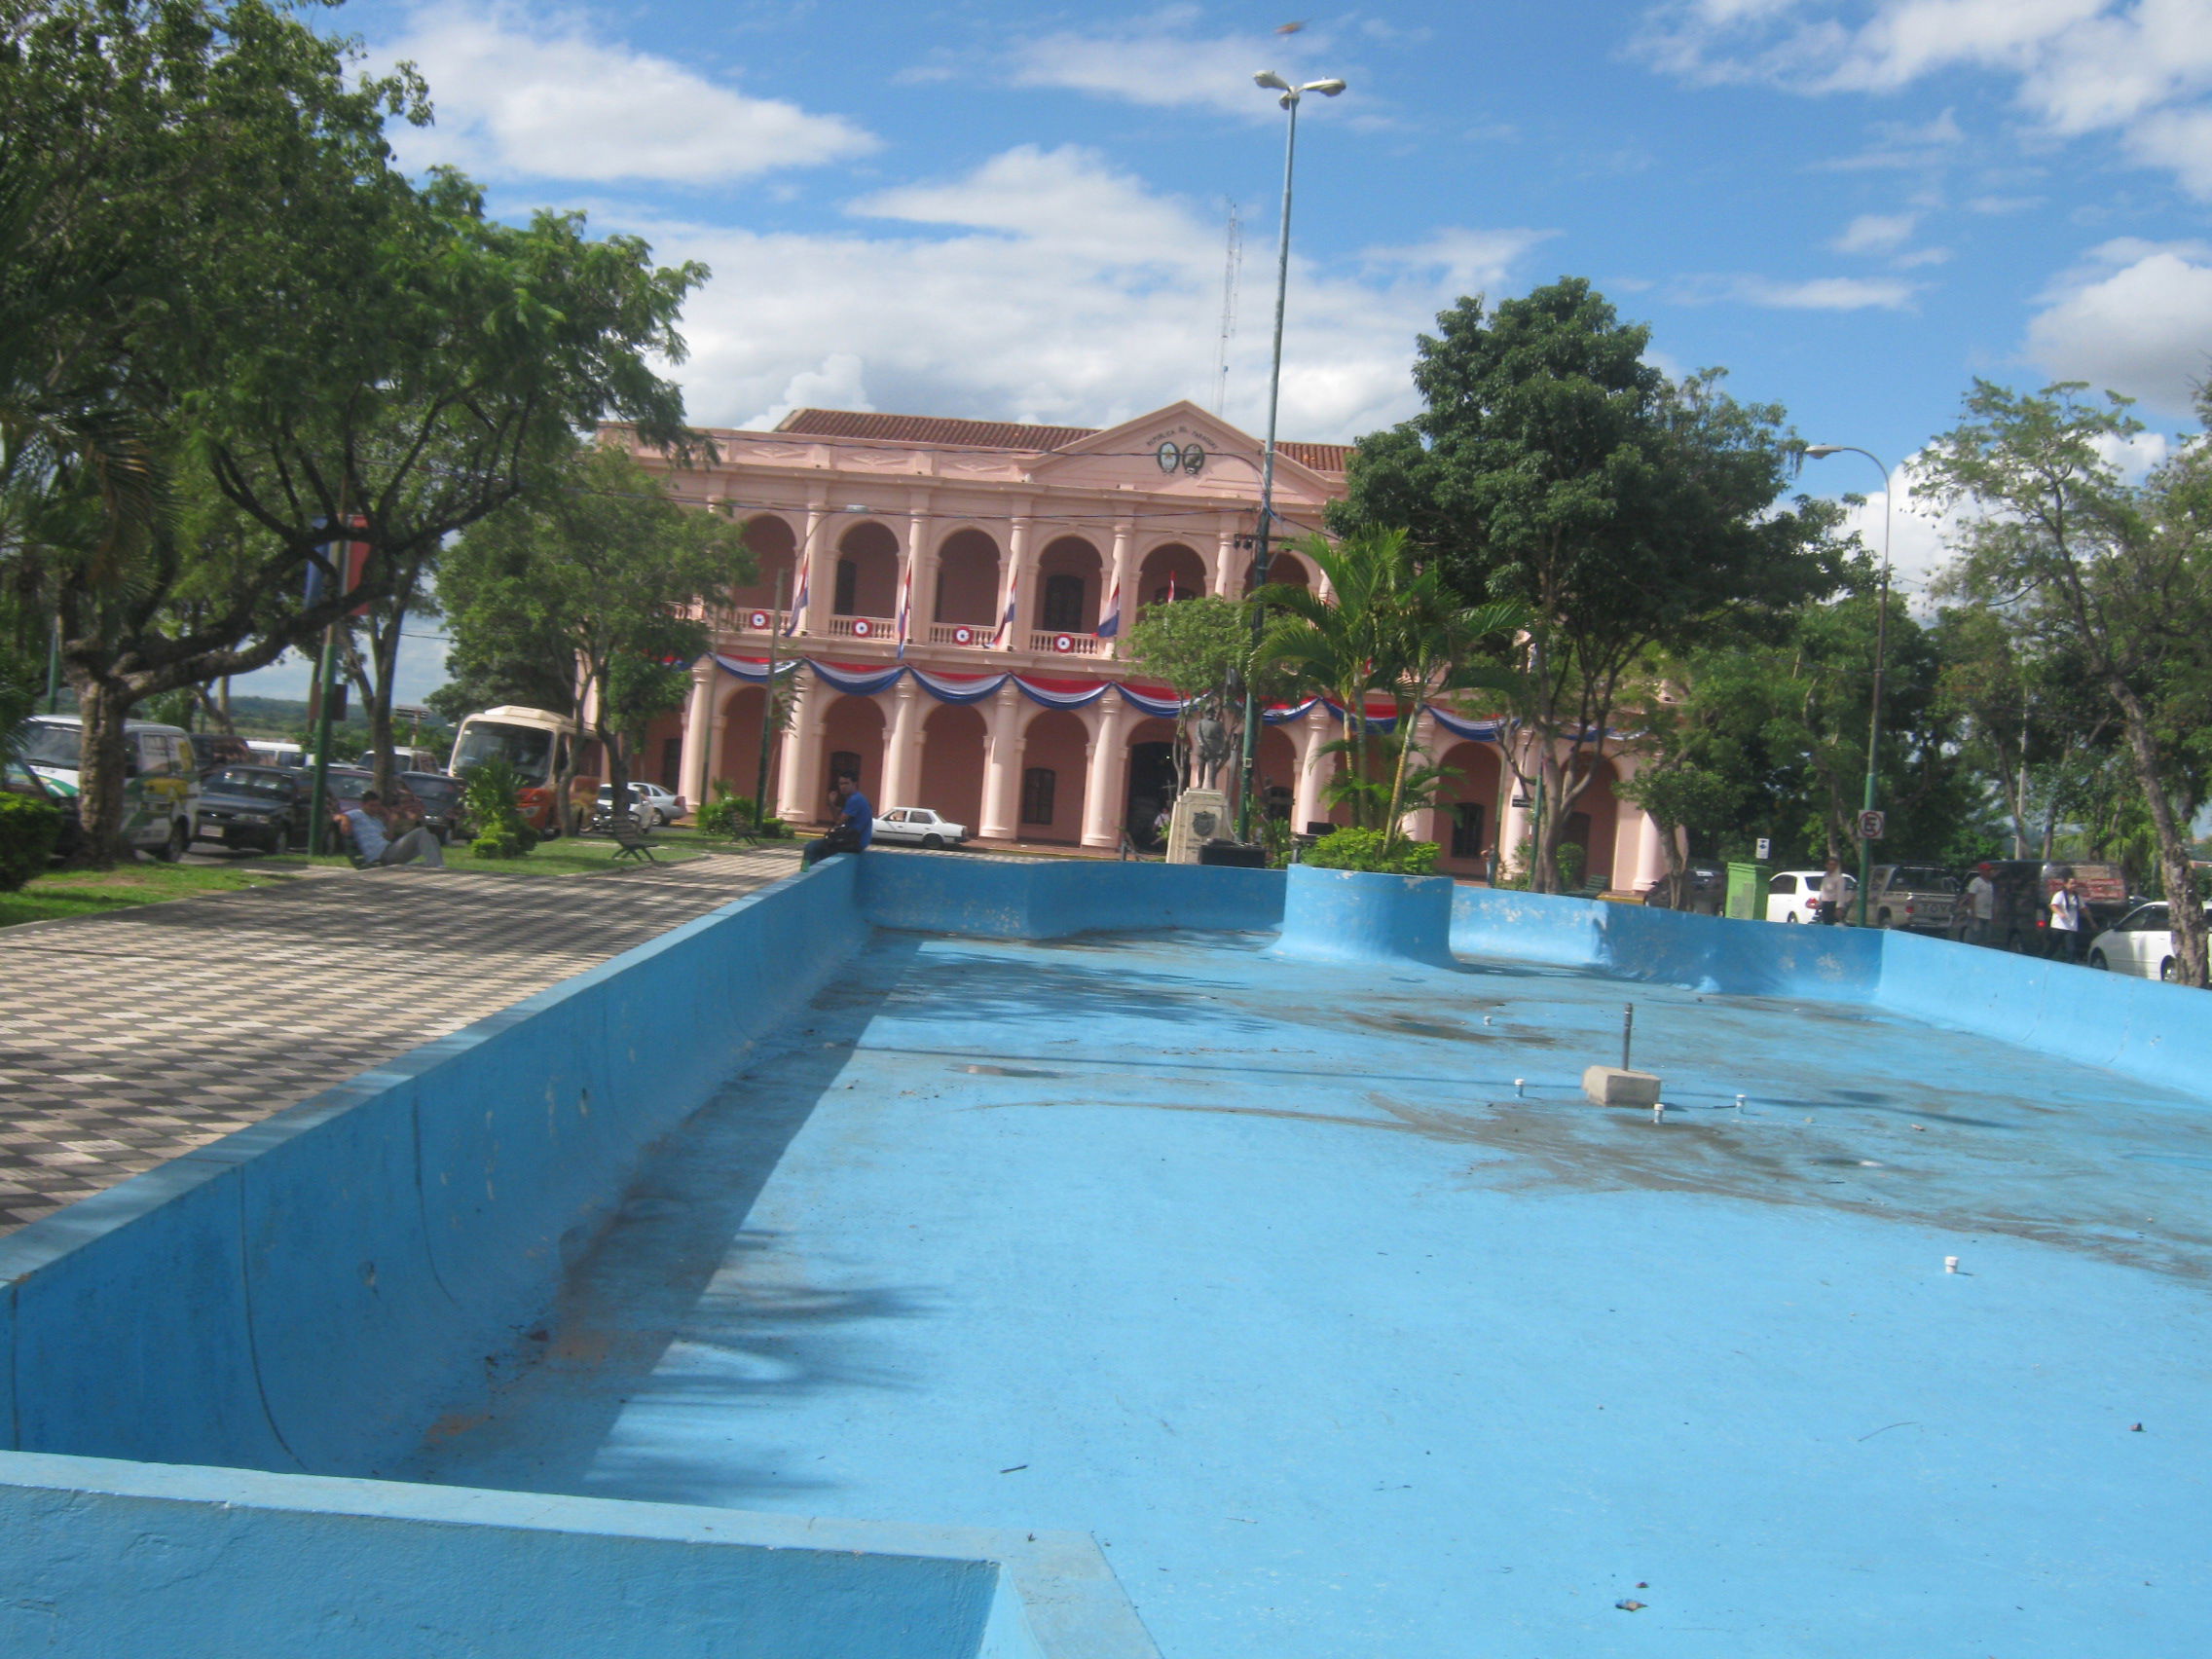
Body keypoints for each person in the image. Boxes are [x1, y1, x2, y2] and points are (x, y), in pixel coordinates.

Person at [339, 790, 444, 867]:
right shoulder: (357, 814)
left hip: (389, 851)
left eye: (377, 806)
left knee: (431, 837)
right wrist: (345, 819)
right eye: (371, 806)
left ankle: (437, 865)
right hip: (380, 857)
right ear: (363, 805)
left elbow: (388, 838)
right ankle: (437, 866)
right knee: (421, 832)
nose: (375, 809)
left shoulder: (376, 820)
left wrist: (391, 820)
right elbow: (338, 816)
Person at [802, 774, 874, 867]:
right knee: (820, 850)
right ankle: (809, 872)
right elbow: (839, 819)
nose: (843, 787)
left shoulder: (855, 799)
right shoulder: (857, 798)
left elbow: (839, 821)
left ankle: (804, 872)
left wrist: (831, 803)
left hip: (853, 842)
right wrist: (832, 804)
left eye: (846, 783)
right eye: (840, 784)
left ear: (854, 784)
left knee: (810, 847)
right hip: (852, 840)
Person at [2048, 873, 2086, 963]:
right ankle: (2045, 960)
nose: (2074, 886)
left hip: (2071, 927)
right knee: (2053, 946)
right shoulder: (2060, 895)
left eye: (2075, 883)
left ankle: (2070, 965)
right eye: (2072, 883)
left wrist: (2091, 921)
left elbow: (2084, 909)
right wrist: (2060, 913)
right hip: (2059, 926)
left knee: (2071, 949)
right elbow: (2053, 906)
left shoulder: (2077, 897)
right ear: (2065, 884)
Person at [1961, 865, 1996, 946]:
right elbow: (1971, 898)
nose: (1990, 872)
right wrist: (1973, 913)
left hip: (1987, 915)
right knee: (1974, 937)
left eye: (1990, 870)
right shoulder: (1976, 882)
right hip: (1977, 915)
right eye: (1987, 870)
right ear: (1982, 871)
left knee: (1985, 938)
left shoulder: (1990, 883)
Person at [1818, 856, 1848, 925]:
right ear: (1826, 865)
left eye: (1834, 865)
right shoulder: (1825, 876)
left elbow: (1841, 893)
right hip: (1825, 904)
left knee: (1832, 924)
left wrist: (1839, 908)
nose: (1832, 866)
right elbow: (1823, 891)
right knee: (1825, 924)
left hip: (1833, 905)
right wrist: (1819, 903)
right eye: (1830, 864)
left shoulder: (1839, 878)